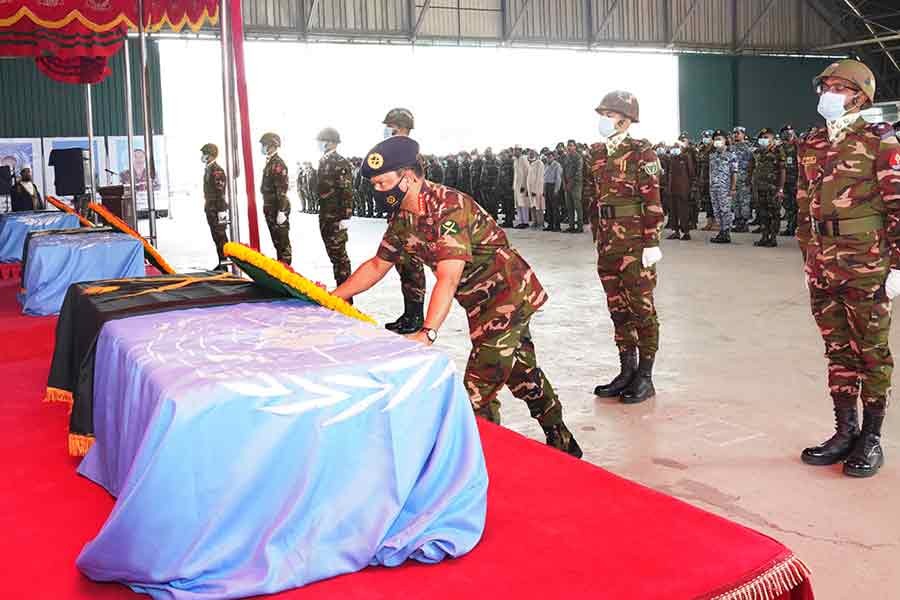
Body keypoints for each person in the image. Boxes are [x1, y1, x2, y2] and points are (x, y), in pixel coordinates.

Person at [332, 135, 582, 458]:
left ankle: (476, 468)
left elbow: (448, 279)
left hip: (506, 295)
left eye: (383, 183)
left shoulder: (448, 207)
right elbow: (379, 264)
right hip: (479, 302)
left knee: (477, 392)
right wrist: (334, 296)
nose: (378, 191)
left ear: (407, 178)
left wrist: (428, 332)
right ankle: (562, 439)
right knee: (521, 373)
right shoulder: (403, 216)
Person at [797, 59, 900, 478]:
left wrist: (898, 267)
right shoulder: (812, 143)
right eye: (826, 87)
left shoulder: (881, 142)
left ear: (860, 96)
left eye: (839, 88)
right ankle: (844, 432)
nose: (829, 95)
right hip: (823, 265)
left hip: (866, 265)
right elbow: (804, 206)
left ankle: (871, 439)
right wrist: (808, 257)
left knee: (872, 352)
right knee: (838, 351)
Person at [585, 91, 663, 404]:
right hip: (608, 243)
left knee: (641, 309)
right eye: (601, 114)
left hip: (635, 244)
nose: (603, 120)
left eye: (608, 114)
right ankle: (626, 370)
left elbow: (652, 199)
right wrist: (597, 236)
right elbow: (595, 199)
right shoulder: (598, 153)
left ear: (625, 119)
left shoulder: (642, 152)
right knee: (618, 309)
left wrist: (652, 241)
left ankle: (645, 376)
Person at [381, 108, 428, 334]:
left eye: (390, 126)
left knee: (412, 266)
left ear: (400, 127)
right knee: (402, 265)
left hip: (410, 217)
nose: (387, 131)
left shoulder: (412, 154)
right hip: (398, 215)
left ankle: (416, 317)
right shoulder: (393, 154)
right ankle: (409, 313)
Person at [315, 127, 353, 284]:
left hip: (336, 217)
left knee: (340, 258)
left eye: (321, 141)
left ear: (330, 143)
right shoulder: (324, 160)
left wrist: (346, 216)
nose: (318, 144)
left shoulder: (340, 162)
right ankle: (341, 289)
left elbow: (346, 190)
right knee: (333, 255)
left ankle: (346, 297)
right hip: (326, 216)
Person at [749, 128, 786, 247]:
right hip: (760, 187)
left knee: (774, 213)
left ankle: (773, 238)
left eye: (766, 137)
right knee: (762, 213)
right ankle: (764, 236)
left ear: (772, 138)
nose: (764, 140)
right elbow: (754, 168)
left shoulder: (778, 151)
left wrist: (780, 188)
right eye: (762, 138)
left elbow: (782, 170)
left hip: (773, 188)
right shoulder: (758, 152)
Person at [259, 132, 292, 264]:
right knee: (277, 242)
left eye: (264, 145)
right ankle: (281, 269)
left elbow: (282, 190)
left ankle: (286, 273)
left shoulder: (278, 164)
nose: (263, 148)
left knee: (283, 243)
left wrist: (282, 211)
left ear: (272, 146)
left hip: (277, 207)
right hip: (271, 207)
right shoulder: (271, 162)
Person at [200, 143, 229, 270]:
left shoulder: (217, 171)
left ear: (211, 155)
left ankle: (225, 264)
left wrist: (222, 211)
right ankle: (221, 262)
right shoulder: (209, 169)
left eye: (205, 154)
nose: (203, 156)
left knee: (221, 237)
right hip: (211, 209)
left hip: (217, 210)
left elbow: (220, 192)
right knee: (216, 237)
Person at [708, 130, 738, 244]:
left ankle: (726, 233)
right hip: (714, 187)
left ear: (725, 140)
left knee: (725, 211)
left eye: (719, 139)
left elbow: (734, 172)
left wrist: (733, 188)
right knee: (717, 210)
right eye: (715, 139)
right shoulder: (712, 156)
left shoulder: (731, 156)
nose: (717, 141)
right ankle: (721, 230)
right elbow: (710, 172)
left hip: (725, 188)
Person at [666, 143, 695, 240]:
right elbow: (668, 174)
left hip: (683, 189)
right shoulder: (671, 159)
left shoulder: (686, 158)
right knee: (673, 211)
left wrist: (691, 188)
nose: (675, 150)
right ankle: (675, 232)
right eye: (673, 148)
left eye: (677, 147)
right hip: (672, 189)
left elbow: (691, 174)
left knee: (683, 212)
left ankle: (685, 232)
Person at [730, 126, 754, 232]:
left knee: (744, 201)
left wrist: (750, 177)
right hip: (734, 180)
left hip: (744, 178)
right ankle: (738, 221)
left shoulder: (749, 148)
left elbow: (753, 164)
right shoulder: (731, 148)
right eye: (734, 133)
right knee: (735, 201)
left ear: (743, 134)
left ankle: (744, 223)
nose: (736, 135)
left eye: (738, 133)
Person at [779, 124, 800, 236]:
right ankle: (790, 226)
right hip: (785, 180)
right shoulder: (781, 147)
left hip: (796, 179)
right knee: (788, 205)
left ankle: (794, 227)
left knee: (796, 205)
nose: (788, 135)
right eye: (786, 133)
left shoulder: (798, 146)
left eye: (790, 133)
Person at [562, 140, 584, 233]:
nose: (570, 147)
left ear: (575, 147)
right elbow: (563, 172)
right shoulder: (566, 157)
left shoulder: (578, 157)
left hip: (576, 185)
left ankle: (580, 226)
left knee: (577, 206)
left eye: (571, 145)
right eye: (568, 145)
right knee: (569, 206)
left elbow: (579, 172)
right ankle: (571, 226)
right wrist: (564, 183)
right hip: (567, 185)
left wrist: (571, 183)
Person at [543, 151, 563, 231]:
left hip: (553, 186)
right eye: (547, 157)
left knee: (555, 208)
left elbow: (558, 178)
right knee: (548, 207)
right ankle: (550, 225)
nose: (548, 158)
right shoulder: (546, 165)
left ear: (553, 157)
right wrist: (544, 189)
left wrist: (556, 189)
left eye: (550, 157)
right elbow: (544, 178)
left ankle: (557, 226)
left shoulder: (557, 165)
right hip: (547, 186)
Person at [526, 149, 545, 229]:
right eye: (529, 153)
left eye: (532, 153)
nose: (530, 155)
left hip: (537, 189)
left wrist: (535, 190)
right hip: (530, 189)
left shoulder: (539, 163)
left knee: (538, 207)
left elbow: (539, 178)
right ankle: (534, 222)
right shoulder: (530, 163)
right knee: (532, 206)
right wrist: (528, 189)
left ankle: (540, 223)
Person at [479, 148, 500, 220]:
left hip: (492, 187)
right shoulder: (485, 162)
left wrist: (494, 186)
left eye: (487, 153)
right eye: (485, 153)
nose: (486, 154)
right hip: (485, 187)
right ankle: (489, 217)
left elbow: (497, 175)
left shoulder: (495, 162)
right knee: (487, 204)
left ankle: (494, 218)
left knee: (493, 203)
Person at [513, 147, 531, 228]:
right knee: (518, 204)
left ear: (520, 151)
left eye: (516, 150)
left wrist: (524, 185)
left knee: (524, 204)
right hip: (516, 186)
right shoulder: (515, 160)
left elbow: (527, 172)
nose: (514, 152)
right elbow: (516, 174)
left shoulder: (524, 159)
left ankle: (525, 222)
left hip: (523, 186)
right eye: (514, 150)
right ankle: (520, 221)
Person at [497, 150, 515, 227]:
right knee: (505, 206)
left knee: (509, 206)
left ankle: (509, 222)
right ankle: (507, 220)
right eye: (501, 155)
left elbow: (513, 176)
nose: (502, 157)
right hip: (503, 188)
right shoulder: (502, 164)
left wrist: (511, 187)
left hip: (509, 189)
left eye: (503, 155)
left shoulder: (511, 163)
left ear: (507, 155)